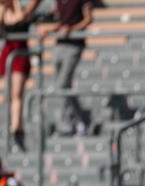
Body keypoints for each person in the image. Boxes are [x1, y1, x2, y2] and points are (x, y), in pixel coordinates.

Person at [47, 0, 93, 136]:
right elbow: (59, 21)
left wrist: (71, 29)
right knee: (61, 87)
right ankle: (78, 120)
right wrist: (51, 29)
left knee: (62, 85)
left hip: (74, 44)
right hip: (60, 44)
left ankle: (74, 121)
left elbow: (88, 19)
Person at [0, 0, 32, 151]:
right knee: (10, 94)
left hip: (19, 54)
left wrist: (15, 4)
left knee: (17, 93)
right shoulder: (3, 13)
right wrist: (0, 13)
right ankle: (12, 124)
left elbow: (22, 19)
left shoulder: (22, 11)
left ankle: (16, 126)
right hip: (8, 54)